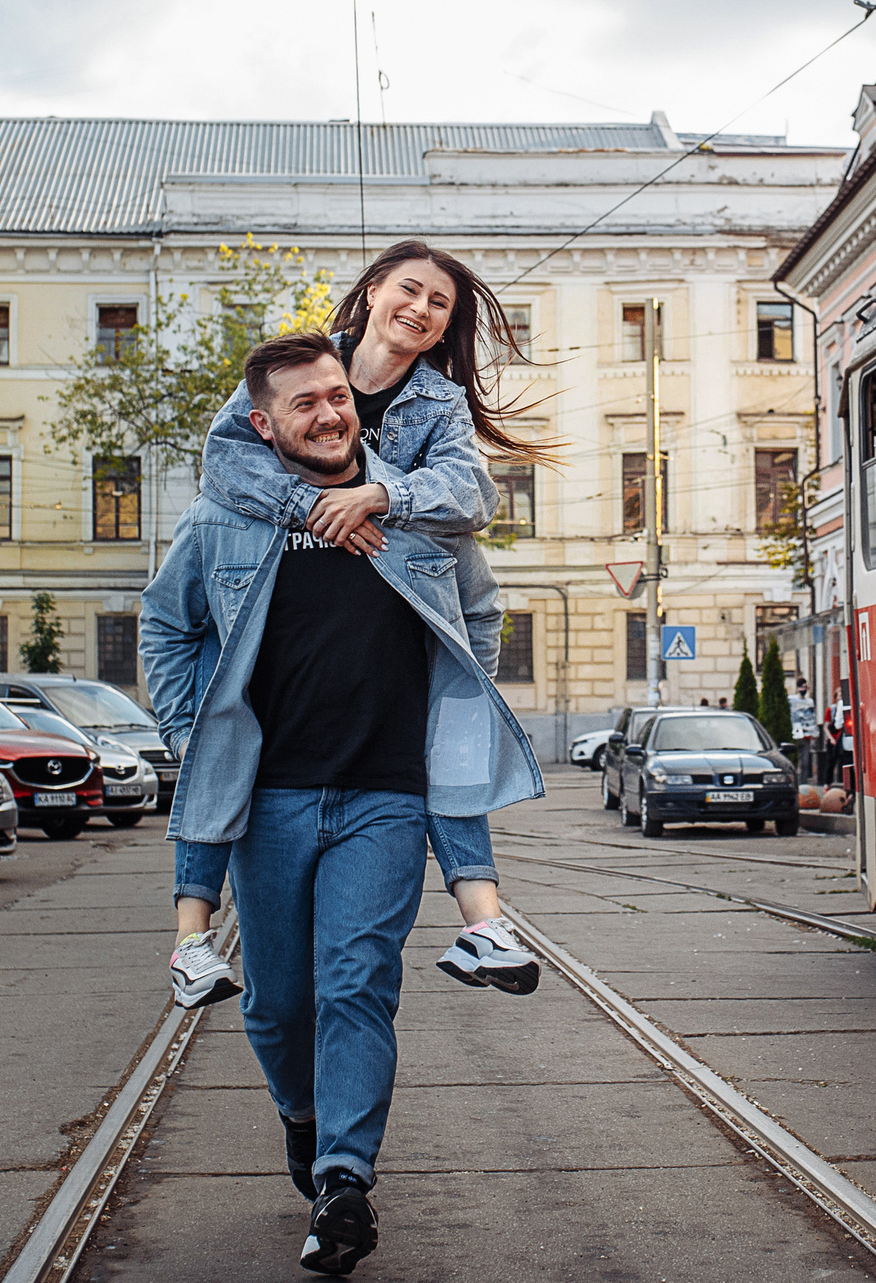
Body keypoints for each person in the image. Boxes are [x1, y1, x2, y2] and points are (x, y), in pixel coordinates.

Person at [143, 331, 543, 1275]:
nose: (329, 414)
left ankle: (344, 1179)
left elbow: (478, 606)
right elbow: (166, 620)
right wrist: (183, 730)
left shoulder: (412, 502)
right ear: (263, 424)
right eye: (305, 404)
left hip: (386, 797)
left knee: (358, 985)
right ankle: (302, 1114)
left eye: (337, 395)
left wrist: (458, 698)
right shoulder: (225, 515)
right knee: (280, 1007)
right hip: (271, 800)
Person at [169, 240, 555, 1005]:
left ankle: (484, 921)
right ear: (374, 290)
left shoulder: (439, 403)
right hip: (273, 577)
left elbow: (471, 497)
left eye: (438, 304)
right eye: (409, 290)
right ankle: (190, 936)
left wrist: (377, 500)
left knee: (442, 734)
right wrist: (313, 508)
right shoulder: (308, 365)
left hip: (395, 603)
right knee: (221, 706)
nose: (419, 308)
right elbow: (226, 460)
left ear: (444, 328)